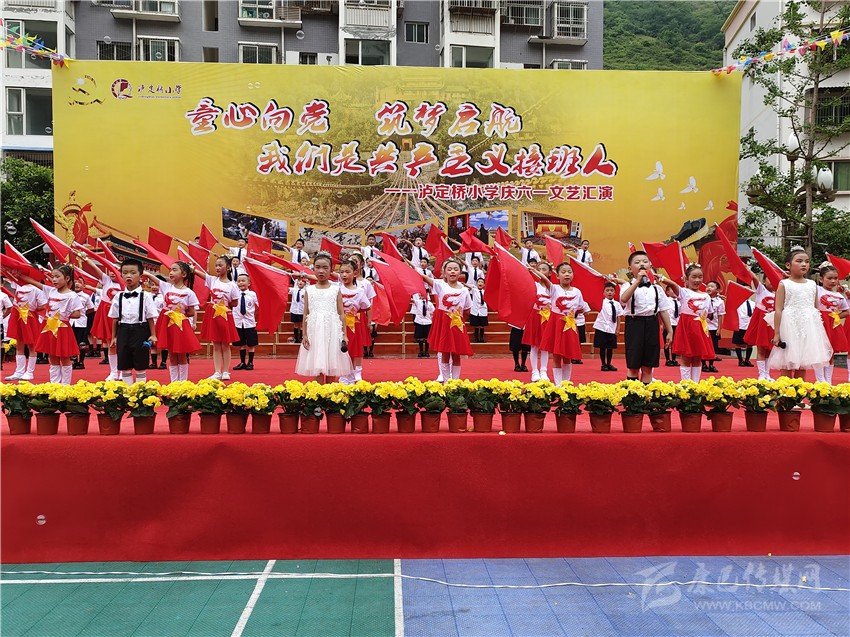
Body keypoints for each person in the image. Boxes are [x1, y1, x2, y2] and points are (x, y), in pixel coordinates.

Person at [768, 247, 833, 378]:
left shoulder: (812, 284)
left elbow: (816, 309)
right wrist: (777, 333)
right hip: (789, 325)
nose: (804, 264)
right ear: (788, 265)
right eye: (799, 261)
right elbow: (778, 309)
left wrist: (817, 331)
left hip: (807, 326)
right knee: (787, 361)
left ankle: (799, 390)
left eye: (807, 261)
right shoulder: (784, 284)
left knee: (803, 362)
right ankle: (786, 390)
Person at [294, 252, 352, 382]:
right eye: (318, 267)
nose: (321, 271)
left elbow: (341, 313)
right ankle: (319, 393)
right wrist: (304, 335)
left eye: (325, 268)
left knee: (332, 363)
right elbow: (306, 314)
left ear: (331, 270)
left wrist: (344, 334)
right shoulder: (309, 289)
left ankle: (330, 392)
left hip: (332, 329)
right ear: (313, 269)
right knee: (317, 363)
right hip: (315, 330)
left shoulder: (336, 289)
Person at [617, 251, 673, 384]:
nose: (642, 264)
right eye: (637, 262)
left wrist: (670, 330)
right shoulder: (627, 286)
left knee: (648, 365)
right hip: (634, 324)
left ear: (650, 266)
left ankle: (646, 393)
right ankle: (633, 394)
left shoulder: (657, 288)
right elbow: (623, 299)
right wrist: (637, 281)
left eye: (645, 261)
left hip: (652, 323)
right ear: (630, 268)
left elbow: (663, 310)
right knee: (633, 364)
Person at [21, 265, 83, 385]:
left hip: (62, 328)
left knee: (64, 357)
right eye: (53, 276)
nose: (54, 279)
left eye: (57, 277)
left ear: (67, 278)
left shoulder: (72, 295)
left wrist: (64, 314)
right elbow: (33, 282)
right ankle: (54, 384)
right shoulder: (51, 291)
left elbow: (77, 313)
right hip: (49, 328)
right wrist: (17, 275)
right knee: (52, 356)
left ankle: (65, 385)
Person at [415, 258, 473, 381]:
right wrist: (413, 270)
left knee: (456, 354)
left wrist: (457, 317)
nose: (452, 271)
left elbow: (467, 309)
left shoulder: (464, 290)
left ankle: (455, 382)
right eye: (449, 269)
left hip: (457, 324)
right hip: (444, 324)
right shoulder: (440, 285)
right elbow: (424, 277)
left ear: (460, 273)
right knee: (445, 352)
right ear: (444, 272)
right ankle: (446, 382)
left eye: (456, 269)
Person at [533, 262, 586, 384]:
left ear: (573, 275)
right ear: (557, 276)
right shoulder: (554, 288)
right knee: (557, 355)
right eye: (563, 272)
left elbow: (583, 308)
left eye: (569, 272)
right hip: (556, 324)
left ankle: (566, 383)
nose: (567, 274)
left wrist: (573, 314)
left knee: (568, 356)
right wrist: (534, 271)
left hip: (569, 325)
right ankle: (558, 385)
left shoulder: (577, 292)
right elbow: (545, 279)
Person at [148, 262, 201, 382]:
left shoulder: (189, 292)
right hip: (167, 324)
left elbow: (191, 312)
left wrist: (177, 313)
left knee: (181, 354)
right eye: (170, 270)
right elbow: (153, 278)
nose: (171, 272)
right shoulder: (167, 287)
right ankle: (174, 382)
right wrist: (144, 273)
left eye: (174, 270)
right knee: (171, 355)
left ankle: (183, 382)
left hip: (180, 325)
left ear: (184, 274)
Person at [108, 259, 158, 384]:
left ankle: (140, 389)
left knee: (140, 363)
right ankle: (127, 389)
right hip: (123, 330)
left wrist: (153, 335)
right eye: (125, 273)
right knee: (124, 363)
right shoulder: (118, 296)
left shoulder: (146, 296)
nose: (128, 276)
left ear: (141, 276)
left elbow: (150, 317)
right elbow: (115, 318)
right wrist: (114, 337)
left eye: (133, 273)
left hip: (140, 330)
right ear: (121, 275)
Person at [663, 264, 716, 382]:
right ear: (686, 279)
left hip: (700, 328)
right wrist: (661, 278)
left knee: (697, 357)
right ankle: (686, 384)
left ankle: (695, 384)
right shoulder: (684, 292)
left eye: (700, 277)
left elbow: (709, 314)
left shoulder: (706, 296)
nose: (697, 280)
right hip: (686, 328)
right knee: (686, 357)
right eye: (694, 277)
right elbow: (673, 285)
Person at [194, 255, 240, 381]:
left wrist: (222, 306)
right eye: (216, 265)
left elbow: (235, 302)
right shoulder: (213, 280)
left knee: (225, 344)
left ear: (228, 267)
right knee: (216, 344)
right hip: (213, 314)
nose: (217, 268)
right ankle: (217, 371)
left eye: (220, 265)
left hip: (225, 314)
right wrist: (192, 269)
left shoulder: (232, 285)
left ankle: (226, 371)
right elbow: (200, 274)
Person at [84, 256, 123, 380]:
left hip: (121, 315)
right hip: (107, 314)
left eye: (116, 270)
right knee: (111, 344)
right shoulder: (106, 280)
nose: (112, 272)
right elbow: (94, 267)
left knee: (122, 345)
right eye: (111, 270)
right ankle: (113, 372)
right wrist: (85, 258)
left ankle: (123, 371)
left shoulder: (125, 283)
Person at [4, 274, 45, 381]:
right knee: (19, 344)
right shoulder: (18, 285)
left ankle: (30, 372)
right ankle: (19, 371)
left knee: (32, 345)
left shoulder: (37, 289)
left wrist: (33, 308)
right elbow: (10, 275)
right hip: (18, 316)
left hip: (29, 317)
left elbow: (44, 304)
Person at [338, 260, 371, 383]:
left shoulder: (360, 291)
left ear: (355, 273)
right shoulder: (336, 289)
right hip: (338, 323)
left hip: (353, 323)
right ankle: (343, 374)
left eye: (347, 272)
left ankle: (352, 374)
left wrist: (352, 313)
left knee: (353, 349)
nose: (344, 275)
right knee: (340, 349)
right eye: (341, 272)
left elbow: (366, 307)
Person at [814, 262, 848, 384]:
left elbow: (847, 311)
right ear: (821, 279)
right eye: (829, 278)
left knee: (831, 352)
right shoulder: (817, 290)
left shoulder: (839, 296)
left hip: (833, 325)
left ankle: (828, 381)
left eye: (835, 278)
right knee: (820, 351)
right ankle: (820, 380)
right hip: (820, 323)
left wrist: (835, 316)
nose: (833, 281)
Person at [522, 260, 551, 381]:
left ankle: (544, 371)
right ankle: (534, 371)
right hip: (535, 316)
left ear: (550, 273)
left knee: (544, 347)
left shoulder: (552, 288)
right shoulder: (534, 285)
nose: (541, 272)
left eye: (544, 269)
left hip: (547, 318)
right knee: (534, 346)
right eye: (539, 269)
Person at [744, 277, 776, 381]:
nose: (772, 282)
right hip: (762, 324)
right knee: (761, 349)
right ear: (764, 281)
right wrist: (747, 269)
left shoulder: (779, 293)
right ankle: (761, 374)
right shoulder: (761, 290)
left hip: (772, 323)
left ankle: (767, 374)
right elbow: (753, 277)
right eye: (769, 279)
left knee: (769, 351)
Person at [232, 273, 259, 371]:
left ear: (249, 283)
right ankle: (242, 362)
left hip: (249, 322)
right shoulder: (235, 294)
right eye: (238, 281)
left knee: (251, 343)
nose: (241, 283)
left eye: (243, 281)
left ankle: (250, 362)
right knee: (241, 343)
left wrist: (252, 315)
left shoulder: (252, 294)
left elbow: (257, 307)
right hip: (238, 322)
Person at [593, 282, 620, 372]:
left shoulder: (617, 304)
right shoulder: (601, 302)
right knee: (602, 347)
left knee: (610, 347)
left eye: (611, 290)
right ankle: (603, 364)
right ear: (603, 292)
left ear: (614, 292)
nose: (609, 292)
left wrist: (618, 328)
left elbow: (618, 316)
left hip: (612, 328)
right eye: (607, 290)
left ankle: (609, 363)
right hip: (602, 327)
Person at [71, 279, 95, 370]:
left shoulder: (86, 296)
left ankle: (81, 362)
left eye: (79, 283)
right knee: (72, 343)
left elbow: (91, 308)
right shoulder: (69, 295)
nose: (77, 284)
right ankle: (74, 361)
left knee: (81, 343)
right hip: (70, 322)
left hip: (81, 322)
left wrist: (83, 313)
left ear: (83, 285)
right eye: (75, 282)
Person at [703, 280, 725, 373]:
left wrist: (719, 328)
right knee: (704, 346)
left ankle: (711, 364)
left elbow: (720, 315)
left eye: (712, 286)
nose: (709, 288)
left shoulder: (720, 302)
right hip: (704, 326)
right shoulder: (703, 298)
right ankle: (703, 364)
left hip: (713, 327)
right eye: (708, 286)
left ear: (717, 290)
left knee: (713, 347)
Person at [733, 295, 755, 368]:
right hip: (740, 325)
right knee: (738, 343)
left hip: (750, 325)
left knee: (750, 344)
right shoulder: (738, 303)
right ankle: (740, 360)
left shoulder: (753, 303)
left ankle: (747, 360)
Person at [410, 292, 434, 358]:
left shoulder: (430, 304)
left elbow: (433, 312)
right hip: (419, 321)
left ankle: (426, 351)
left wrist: (432, 319)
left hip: (428, 322)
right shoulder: (418, 302)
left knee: (427, 338)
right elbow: (411, 300)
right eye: (421, 295)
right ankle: (421, 351)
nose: (422, 296)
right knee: (420, 338)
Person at [663, 286, 680, 367]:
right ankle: (667, 359)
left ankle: (674, 359)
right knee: (667, 342)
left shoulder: (679, 302)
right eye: (672, 290)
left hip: (677, 324)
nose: (674, 291)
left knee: (675, 343)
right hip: (668, 324)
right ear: (668, 292)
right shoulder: (666, 300)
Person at [469, 278, 489, 343]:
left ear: (484, 284)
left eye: (482, 282)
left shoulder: (485, 292)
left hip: (483, 310)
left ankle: (481, 338)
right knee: (476, 325)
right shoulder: (474, 290)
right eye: (479, 282)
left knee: (482, 325)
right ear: (476, 283)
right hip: (475, 310)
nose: (480, 283)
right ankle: (476, 338)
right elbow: (469, 286)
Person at [289, 276, 306, 343]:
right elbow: (286, 289)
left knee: (302, 325)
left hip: (302, 311)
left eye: (302, 281)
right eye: (299, 281)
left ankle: (301, 337)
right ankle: (296, 338)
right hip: (294, 310)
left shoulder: (306, 291)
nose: (300, 282)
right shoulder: (294, 290)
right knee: (295, 324)